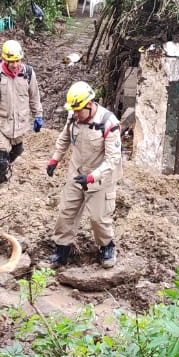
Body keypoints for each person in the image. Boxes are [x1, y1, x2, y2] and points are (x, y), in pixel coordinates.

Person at [45, 82, 121, 268]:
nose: (76, 114)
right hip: (77, 172)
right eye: (74, 110)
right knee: (66, 212)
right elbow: (64, 138)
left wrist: (92, 177)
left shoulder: (109, 124)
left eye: (79, 110)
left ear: (90, 104)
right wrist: (55, 159)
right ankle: (61, 250)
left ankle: (107, 247)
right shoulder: (73, 116)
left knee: (98, 217)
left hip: (101, 177)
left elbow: (113, 160)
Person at [0, 39, 43, 184]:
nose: (16, 65)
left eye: (18, 61)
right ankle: (3, 183)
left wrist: (38, 115)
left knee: (18, 150)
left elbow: (34, 97)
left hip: (19, 122)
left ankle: (6, 164)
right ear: (4, 59)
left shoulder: (28, 73)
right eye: (12, 62)